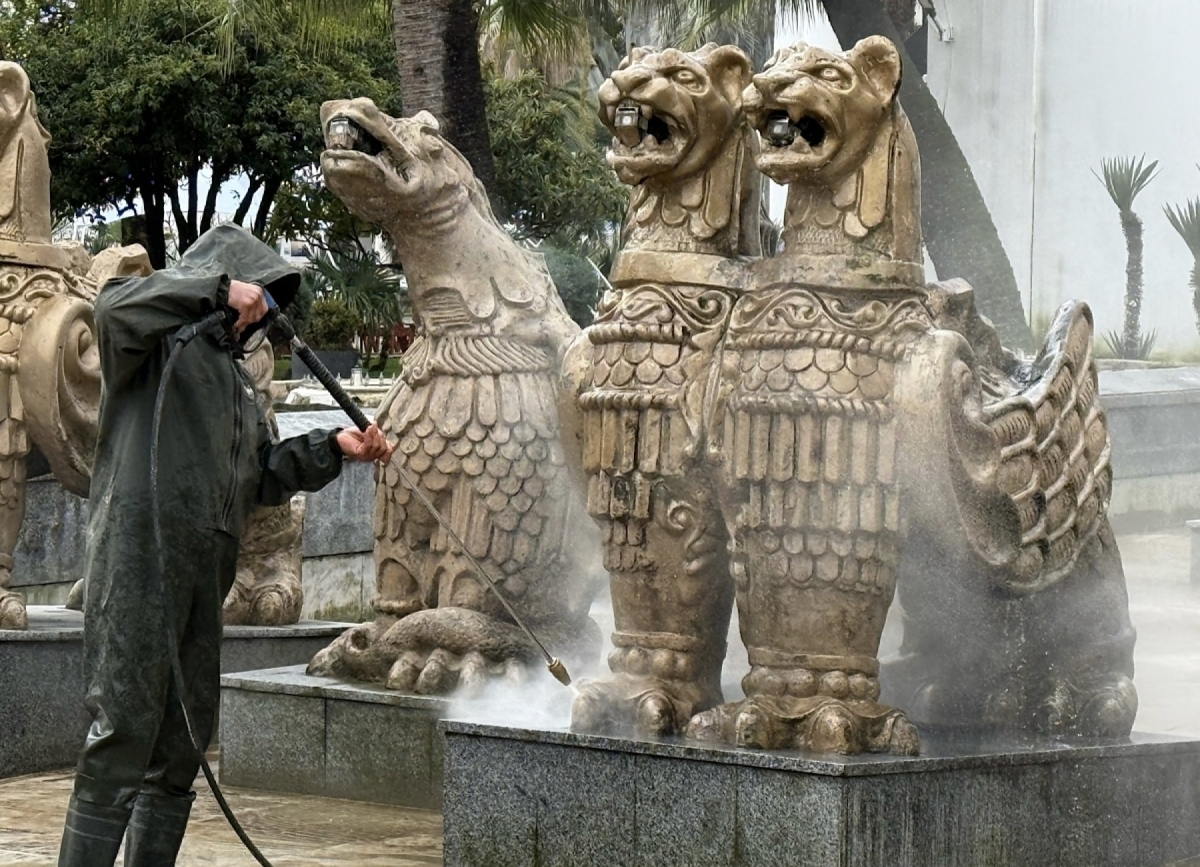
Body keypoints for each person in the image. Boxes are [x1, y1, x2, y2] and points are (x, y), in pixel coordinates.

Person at [56, 225, 392, 866]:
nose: (258, 318)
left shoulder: (239, 386)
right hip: (138, 557)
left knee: (184, 742)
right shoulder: (151, 344)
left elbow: (258, 474)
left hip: (205, 573)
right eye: (256, 298)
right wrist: (214, 289)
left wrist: (332, 447)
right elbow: (111, 306)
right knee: (123, 730)